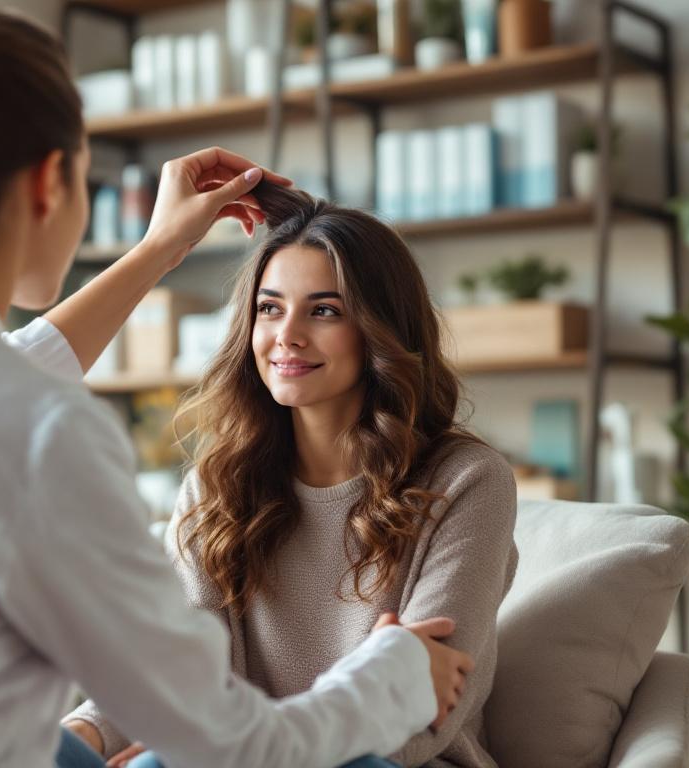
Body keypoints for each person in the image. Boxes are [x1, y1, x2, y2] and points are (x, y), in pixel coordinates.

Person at [0, 2, 472, 767]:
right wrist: (393, 674)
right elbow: (235, 744)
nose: (287, 334)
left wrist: (160, 246)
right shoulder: (36, 428)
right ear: (50, 181)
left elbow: (0, 372)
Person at [63, 184, 518, 768]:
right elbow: (173, 666)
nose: (287, 336)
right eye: (270, 308)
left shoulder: (467, 481)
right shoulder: (218, 484)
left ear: (380, 330)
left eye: (324, 311)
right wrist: (85, 734)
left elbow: (425, 707)